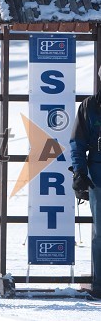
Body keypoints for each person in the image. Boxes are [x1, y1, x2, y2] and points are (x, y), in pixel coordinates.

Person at [70, 66, 101, 299]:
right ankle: (100, 283)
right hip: (98, 173)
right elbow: (77, 143)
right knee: (100, 231)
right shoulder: (90, 107)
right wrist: (80, 172)